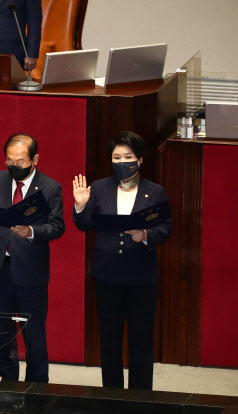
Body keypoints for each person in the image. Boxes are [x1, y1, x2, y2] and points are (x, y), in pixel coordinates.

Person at [0, 133, 64, 383]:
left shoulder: (49, 187)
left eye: (20, 163)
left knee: (34, 335)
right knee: (1, 334)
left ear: (35, 159)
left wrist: (31, 232)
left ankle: (37, 387)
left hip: (31, 273)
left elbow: (57, 226)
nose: (14, 167)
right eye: (9, 162)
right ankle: (8, 385)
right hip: (0, 270)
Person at [72, 131, 172, 390]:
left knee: (141, 341)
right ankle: (112, 397)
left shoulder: (155, 191)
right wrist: (81, 205)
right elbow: (84, 225)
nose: (122, 162)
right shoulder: (99, 187)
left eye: (128, 157)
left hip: (142, 278)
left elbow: (165, 227)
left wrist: (146, 234)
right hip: (107, 276)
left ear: (139, 160)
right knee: (109, 340)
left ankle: (141, 398)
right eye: (117, 157)